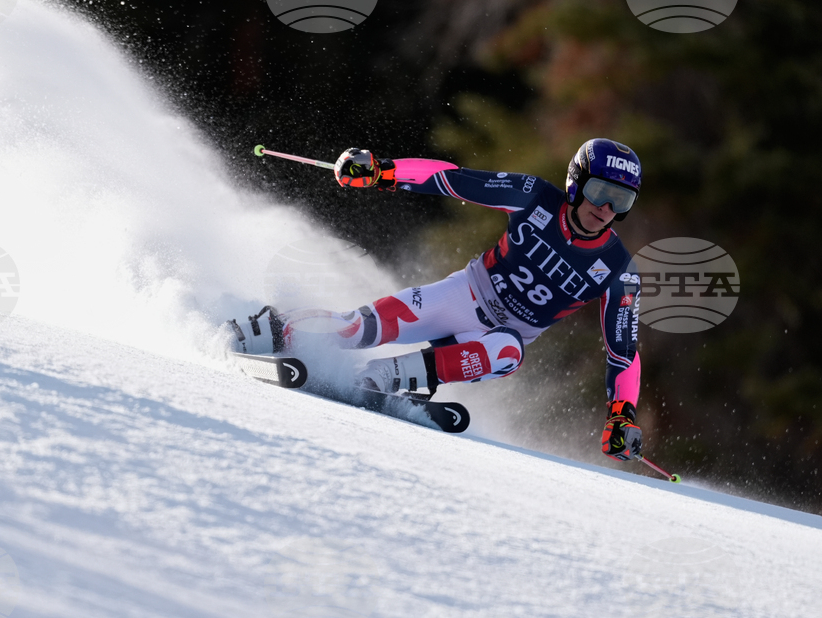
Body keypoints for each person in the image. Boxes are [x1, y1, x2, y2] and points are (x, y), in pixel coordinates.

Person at [229, 138, 644, 462]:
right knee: (359, 329)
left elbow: (623, 353)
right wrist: (383, 171)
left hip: (499, 337)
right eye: (600, 191)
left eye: (621, 200)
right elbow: (452, 177)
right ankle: (275, 329)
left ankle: (379, 380)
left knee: (508, 352)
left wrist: (622, 416)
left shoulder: (617, 269)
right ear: (576, 182)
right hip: (461, 295)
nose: (606, 208)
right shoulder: (534, 195)